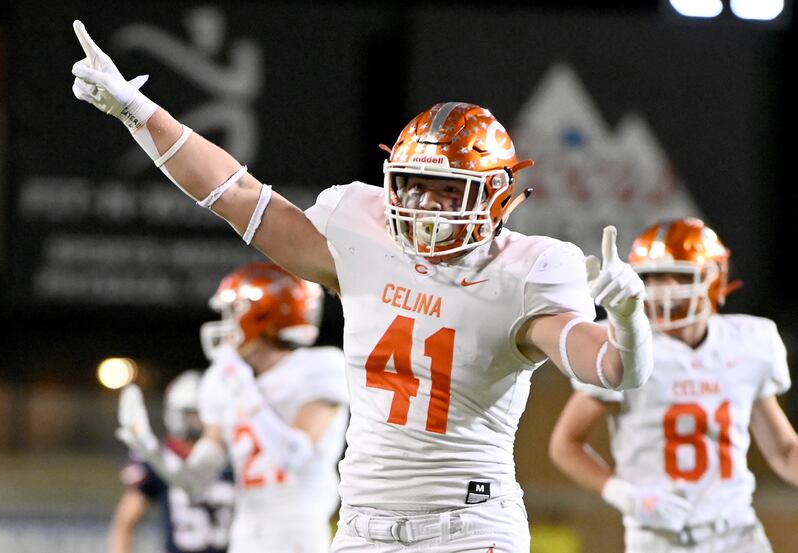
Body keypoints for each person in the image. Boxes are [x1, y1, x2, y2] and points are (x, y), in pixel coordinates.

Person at [71, 20, 654, 552]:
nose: (427, 204)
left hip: (471, 527)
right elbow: (237, 194)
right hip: (361, 526)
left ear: (496, 195)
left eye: (448, 190)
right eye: (415, 185)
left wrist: (626, 320)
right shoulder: (362, 230)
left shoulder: (525, 271)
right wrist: (139, 113)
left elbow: (610, 369)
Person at [548, 217, 798, 553]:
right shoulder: (627, 348)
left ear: (714, 276)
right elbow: (566, 444)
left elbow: (783, 450)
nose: (661, 288)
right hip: (660, 539)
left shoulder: (750, 341)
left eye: (675, 274)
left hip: (738, 534)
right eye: (650, 276)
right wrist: (624, 494)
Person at [115, 261, 349, 552]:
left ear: (264, 313)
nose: (226, 323)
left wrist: (243, 388)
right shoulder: (224, 381)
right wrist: (150, 447)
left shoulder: (319, 366)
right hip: (244, 534)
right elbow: (195, 482)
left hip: (297, 534)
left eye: (233, 311)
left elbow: (293, 454)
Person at [109, 370, 235, 553]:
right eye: (194, 414)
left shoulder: (237, 456)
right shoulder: (162, 459)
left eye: (208, 414)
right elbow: (124, 523)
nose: (202, 422)